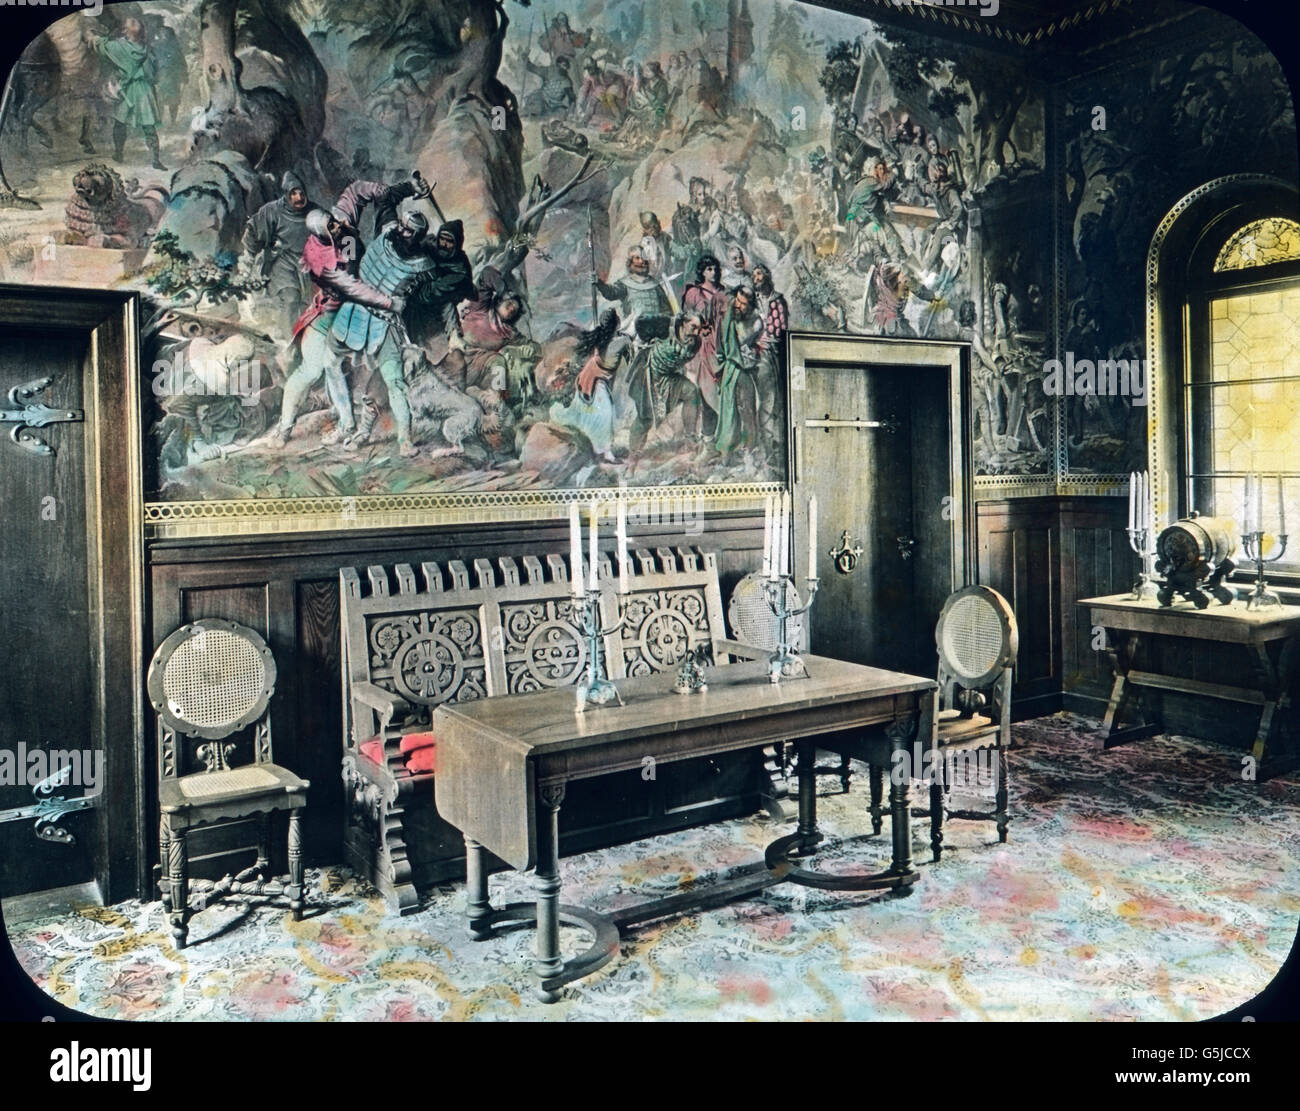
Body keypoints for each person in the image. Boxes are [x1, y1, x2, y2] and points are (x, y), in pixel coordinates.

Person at [330, 201, 472, 457]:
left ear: (417, 237)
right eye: (403, 227)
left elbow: (445, 301)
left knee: (392, 382)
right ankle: (355, 428)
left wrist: (454, 334)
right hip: (357, 312)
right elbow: (385, 205)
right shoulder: (386, 239)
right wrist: (407, 189)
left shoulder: (424, 266)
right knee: (331, 362)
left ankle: (404, 440)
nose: (404, 233)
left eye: (410, 231)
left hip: (393, 325)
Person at [278, 204, 401, 445]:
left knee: (332, 366)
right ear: (319, 234)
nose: (335, 228)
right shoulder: (318, 258)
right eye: (329, 228)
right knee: (310, 370)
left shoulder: (344, 234)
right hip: (327, 316)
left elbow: (356, 194)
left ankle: (346, 424)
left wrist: (396, 191)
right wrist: (388, 302)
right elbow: (351, 286)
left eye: (333, 223)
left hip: (351, 314)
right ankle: (285, 427)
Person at [240, 171, 318, 342]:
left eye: (301, 193)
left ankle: (304, 337)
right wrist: (249, 258)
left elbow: (334, 230)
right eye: (293, 194)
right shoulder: (272, 211)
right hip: (283, 261)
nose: (298, 197)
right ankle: (288, 338)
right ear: (286, 194)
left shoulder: (315, 212)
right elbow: (253, 231)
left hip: (307, 264)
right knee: (290, 298)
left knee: (310, 303)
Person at [84, 17, 165, 170]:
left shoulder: (140, 47)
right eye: (131, 22)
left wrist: (91, 35)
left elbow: (99, 43)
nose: (135, 23)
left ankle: (155, 159)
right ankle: (118, 153)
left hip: (140, 90)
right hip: (132, 90)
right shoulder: (121, 46)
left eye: (136, 22)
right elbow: (98, 43)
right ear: (124, 30)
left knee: (147, 126)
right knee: (120, 124)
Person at [628, 312, 703, 451]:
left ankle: (690, 438)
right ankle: (633, 454)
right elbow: (640, 322)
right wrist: (645, 338)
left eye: (699, 329)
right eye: (693, 327)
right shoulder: (665, 327)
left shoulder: (695, 342)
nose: (696, 332)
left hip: (669, 377)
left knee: (692, 392)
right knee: (645, 418)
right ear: (683, 323)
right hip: (649, 376)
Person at [714, 286, 763, 457]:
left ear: (750, 306)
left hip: (746, 369)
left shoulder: (756, 322)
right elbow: (720, 346)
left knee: (748, 409)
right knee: (729, 410)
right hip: (730, 368)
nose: (738, 306)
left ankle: (750, 448)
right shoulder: (727, 317)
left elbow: (747, 343)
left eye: (743, 304)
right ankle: (727, 449)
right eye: (737, 301)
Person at [680, 254, 727, 429]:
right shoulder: (694, 293)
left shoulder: (724, 293)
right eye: (709, 269)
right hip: (701, 347)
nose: (713, 272)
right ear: (702, 272)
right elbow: (686, 319)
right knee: (705, 392)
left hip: (722, 346)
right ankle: (705, 437)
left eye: (715, 268)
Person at [751, 264, 789, 460]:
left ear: (767, 276)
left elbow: (781, 331)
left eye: (760, 273)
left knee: (778, 400)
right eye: (754, 275)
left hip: (775, 353)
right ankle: (766, 448)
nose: (757, 277)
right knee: (767, 398)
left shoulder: (778, 301)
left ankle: (777, 446)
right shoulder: (752, 302)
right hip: (758, 355)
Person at [593, 247, 673, 335]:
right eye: (637, 258)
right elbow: (611, 293)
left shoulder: (655, 285)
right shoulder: (624, 284)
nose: (642, 261)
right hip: (635, 333)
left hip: (658, 333)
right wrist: (599, 283)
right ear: (630, 262)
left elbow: (667, 310)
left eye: (643, 257)